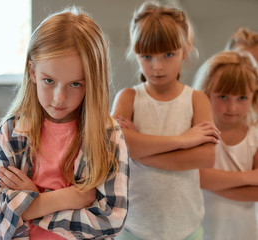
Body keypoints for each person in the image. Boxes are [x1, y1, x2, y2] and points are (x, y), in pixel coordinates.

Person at [0, 7, 129, 240]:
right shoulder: (13, 130)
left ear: (92, 81)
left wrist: (34, 205)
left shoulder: (108, 135)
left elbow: (111, 219)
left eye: (75, 84)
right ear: (32, 71)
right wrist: (67, 197)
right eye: (49, 80)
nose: (59, 99)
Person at [111, 2, 220, 240]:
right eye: (147, 56)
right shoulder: (128, 98)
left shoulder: (197, 100)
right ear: (135, 53)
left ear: (186, 49)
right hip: (134, 227)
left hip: (186, 228)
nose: (157, 66)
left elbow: (205, 157)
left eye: (168, 54)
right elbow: (115, 146)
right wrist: (183, 140)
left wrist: (138, 151)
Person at [193, 50, 258, 240]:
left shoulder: (255, 137)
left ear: (253, 97)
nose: (232, 108)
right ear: (206, 94)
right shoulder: (199, 133)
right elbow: (198, 177)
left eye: (242, 98)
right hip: (202, 232)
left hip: (246, 233)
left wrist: (210, 180)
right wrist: (250, 177)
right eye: (223, 97)